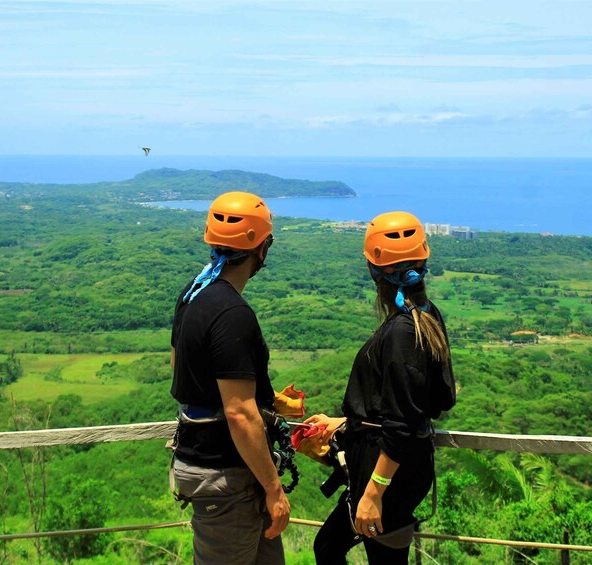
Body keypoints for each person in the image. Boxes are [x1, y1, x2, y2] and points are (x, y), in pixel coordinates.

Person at [304, 211, 456, 565]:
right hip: (394, 469)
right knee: (329, 547)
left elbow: (404, 423)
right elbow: (405, 403)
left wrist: (374, 493)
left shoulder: (404, 331)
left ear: (375, 271)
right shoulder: (423, 315)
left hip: (387, 476)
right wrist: (346, 422)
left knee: (335, 549)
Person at [170, 191, 290, 565]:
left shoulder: (194, 294)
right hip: (226, 475)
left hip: (213, 466)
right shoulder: (232, 313)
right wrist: (274, 489)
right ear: (261, 248)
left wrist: (267, 403)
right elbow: (238, 413)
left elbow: (180, 367)